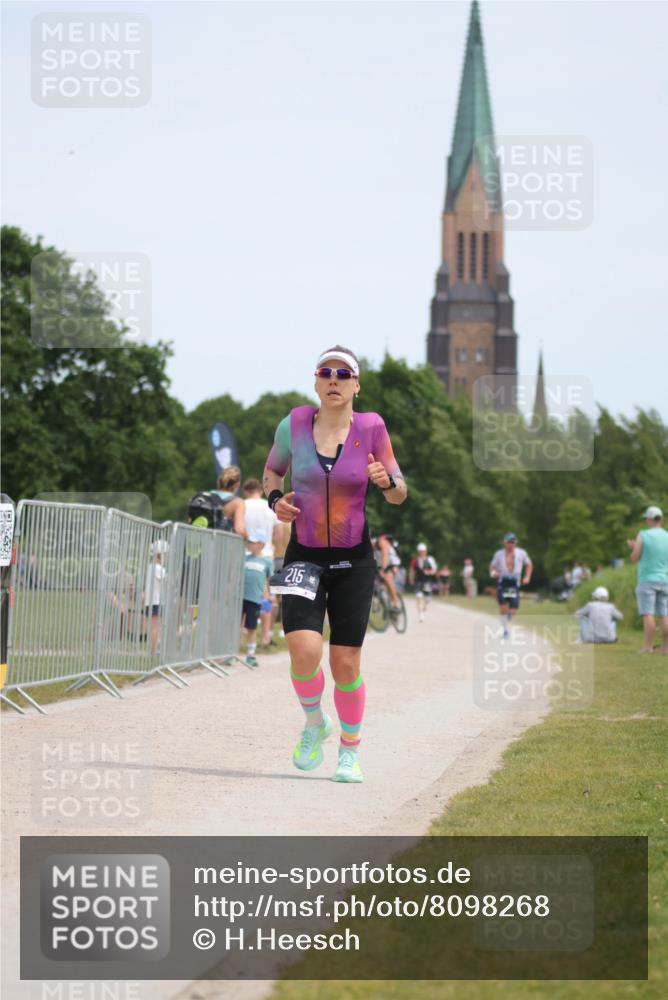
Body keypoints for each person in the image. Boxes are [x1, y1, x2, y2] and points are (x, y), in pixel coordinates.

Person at [263, 345, 407, 783]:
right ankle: (314, 723)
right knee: (303, 651)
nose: (334, 380)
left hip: (353, 559)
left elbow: (400, 490)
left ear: (356, 384)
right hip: (305, 553)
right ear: (316, 381)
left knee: (345, 663)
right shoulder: (295, 425)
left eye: (344, 374)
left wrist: (387, 482)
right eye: (326, 372)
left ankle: (349, 750)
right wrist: (276, 501)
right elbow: (273, 472)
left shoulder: (372, 428)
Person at [243, 478, 281, 646]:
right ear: (260, 489)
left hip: (244, 555)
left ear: (246, 491)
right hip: (265, 556)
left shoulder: (242, 505)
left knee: (242, 597)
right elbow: (278, 534)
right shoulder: (269, 507)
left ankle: (241, 635)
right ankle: (265, 636)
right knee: (265, 597)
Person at [627, 505, 668, 654]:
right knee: (664, 614)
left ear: (650, 519)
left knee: (648, 613)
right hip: (664, 580)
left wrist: (633, 547)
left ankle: (648, 647)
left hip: (647, 580)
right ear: (661, 519)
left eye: (646, 518)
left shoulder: (643, 534)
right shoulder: (667, 536)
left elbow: (634, 557)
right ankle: (666, 647)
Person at [489, 532, 533, 638]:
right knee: (503, 607)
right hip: (503, 582)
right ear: (504, 542)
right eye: (509, 542)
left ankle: (505, 619)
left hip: (515, 584)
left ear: (516, 542)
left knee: (513, 610)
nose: (511, 544)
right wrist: (493, 573)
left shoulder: (521, 553)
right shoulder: (499, 554)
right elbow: (492, 566)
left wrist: (527, 576)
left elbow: (529, 565)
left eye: (512, 542)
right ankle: (505, 630)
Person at [242, 530, 273, 667]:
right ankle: (230, 654)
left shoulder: (267, 562)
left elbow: (268, 581)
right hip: (240, 598)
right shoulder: (244, 559)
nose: (250, 544)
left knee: (252, 627)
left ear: (261, 544)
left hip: (254, 599)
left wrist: (270, 596)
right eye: (249, 542)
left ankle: (251, 654)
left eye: (253, 543)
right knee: (236, 626)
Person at [144, 540, 168, 653]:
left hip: (151, 601)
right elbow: (168, 581)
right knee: (155, 627)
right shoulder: (159, 569)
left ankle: (153, 649)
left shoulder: (150, 567)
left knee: (154, 627)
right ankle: (151, 651)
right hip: (156, 601)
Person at [212, 466, 246, 536]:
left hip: (202, 542)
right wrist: (248, 536)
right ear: (237, 484)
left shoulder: (206, 497)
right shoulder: (237, 503)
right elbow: (239, 529)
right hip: (222, 544)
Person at [409, 542, 437, 623]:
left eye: (423, 550)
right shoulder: (414, 561)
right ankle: (421, 614)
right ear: (418, 551)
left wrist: (429, 572)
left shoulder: (430, 559)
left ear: (426, 551)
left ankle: (424, 607)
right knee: (418, 597)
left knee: (428, 599)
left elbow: (434, 570)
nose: (422, 552)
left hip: (427, 581)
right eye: (420, 551)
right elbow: (411, 571)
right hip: (418, 581)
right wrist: (411, 579)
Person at [376, 532, 402, 610]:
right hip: (383, 564)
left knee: (388, 578)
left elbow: (385, 556)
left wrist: (383, 569)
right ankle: (388, 606)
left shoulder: (381, 541)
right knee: (383, 584)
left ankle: (396, 602)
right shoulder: (374, 543)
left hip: (392, 564)